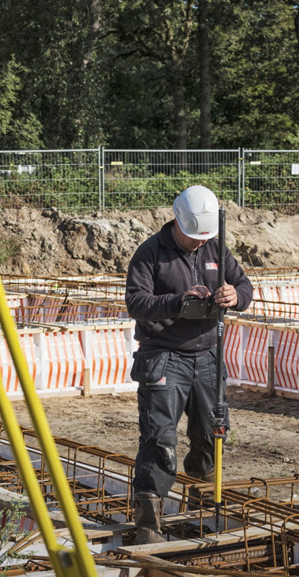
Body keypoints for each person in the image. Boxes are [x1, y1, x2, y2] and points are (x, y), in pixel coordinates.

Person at [124, 185, 254, 544]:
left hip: (208, 357)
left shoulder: (214, 244)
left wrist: (236, 296)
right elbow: (136, 302)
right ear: (177, 221)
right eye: (193, 237)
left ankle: (200, 509)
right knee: (159, 440)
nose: (199, 243)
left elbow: (244, 285)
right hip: (164, 355)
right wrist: (177, 302)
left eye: (204, 237)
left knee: (211, 434)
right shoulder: (151, 252)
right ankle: (149, 526)